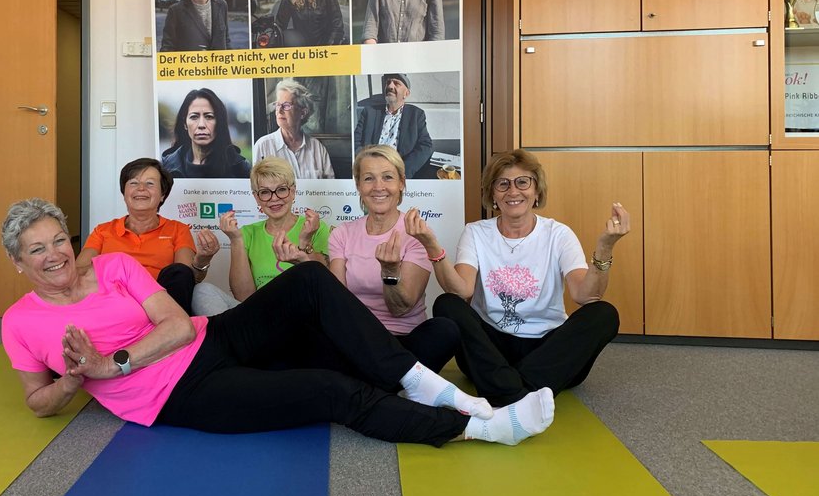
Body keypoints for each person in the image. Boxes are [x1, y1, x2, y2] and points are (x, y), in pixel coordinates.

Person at [0, 198, 556, 446]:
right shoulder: (20, 323)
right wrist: (72, 381)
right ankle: (475, 428)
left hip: (208, 339)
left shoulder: (114, 266)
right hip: (178, 396)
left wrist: (111, 363)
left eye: (59, 240)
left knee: (309, 279)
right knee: (330, 389)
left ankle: (424, 384)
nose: (55, 255)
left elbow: (176, 326)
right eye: (37, 249)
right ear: (18, 263)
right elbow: (36, 401)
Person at [404, 149, 626, 408]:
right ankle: (522, 395)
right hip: (491, 349)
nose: (513, 191)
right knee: (447, 304)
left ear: (536, 190)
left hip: (548, 351)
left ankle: (506, 391)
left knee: (604, 313)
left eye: (522, 182)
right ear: (493, 194)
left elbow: (585, 296)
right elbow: (462, 291)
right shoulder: (475, 232)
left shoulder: (559, 234)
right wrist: (432, 247)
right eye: (503, 184)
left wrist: (605, 248)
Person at [327, 145, 460, 372]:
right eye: (369, 178)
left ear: (401, 183)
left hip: (405, 341)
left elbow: (401, 308)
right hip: (359, 339)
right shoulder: (342, 234)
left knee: (445, 331)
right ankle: (396, 383)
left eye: (387, 177)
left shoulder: (417, 234)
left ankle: (373, 381)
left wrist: (390, 273)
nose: (378, 187)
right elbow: (339, 305)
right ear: (358, 185)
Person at [75, 158, 235, 317]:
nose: (141, 188)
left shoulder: (177, 230)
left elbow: (186, 278)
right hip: (111, 304)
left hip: (160, 308)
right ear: (124, 193)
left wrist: (202, 259)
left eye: (150, 183)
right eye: (133, 183)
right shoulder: (102, 231)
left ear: (162, 195)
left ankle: (172, 326)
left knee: (179, 271)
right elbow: (78, 272)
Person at [219, 157, 332, 300]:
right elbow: (243, 296)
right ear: (256, 197)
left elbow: (325, 284)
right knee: (204, 291)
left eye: (281, 189)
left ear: (293, 191)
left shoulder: (314, 228)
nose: (274, 198)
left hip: (302, 306)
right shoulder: (246, 233)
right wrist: (236, 241)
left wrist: (306, 242)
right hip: (261, 309)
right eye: (265, 192)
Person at [354, 73, 433, 178]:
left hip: (399, 171)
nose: (390, 86)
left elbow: (426, 146)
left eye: (396, 83)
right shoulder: (369, 112)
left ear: (406, 93)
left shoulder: (416, 115)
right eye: (388, 83)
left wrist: (403, 172)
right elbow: (355, 142)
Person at [253, 79, 334, 179]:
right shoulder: (263, 146)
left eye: (286, 105)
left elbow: (331, 185)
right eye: (278, 105)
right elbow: (257, 186)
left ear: (303, 113)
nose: (279, 110)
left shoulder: (318, 148)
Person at [161, 88, 251, 179]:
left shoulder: (241, 169)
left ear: (219, 123)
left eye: (209, 117)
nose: (201, 125)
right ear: (185, 123)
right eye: (194, 117)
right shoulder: (166, 168)